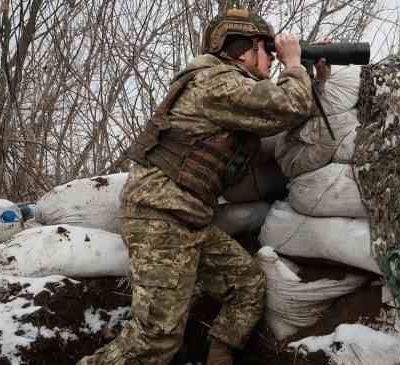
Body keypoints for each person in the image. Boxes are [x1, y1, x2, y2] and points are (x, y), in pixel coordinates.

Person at [78, 6, 327, 365]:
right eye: (266, 51)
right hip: (160, 215)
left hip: (187, 218)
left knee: (247, 286)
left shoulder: (232, 93)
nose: (271, 61)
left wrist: (315, 80)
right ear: (245, 49)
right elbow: (287, 105)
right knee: (156, 340)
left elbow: (287, 112)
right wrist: (293, 62)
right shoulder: (215, 82)